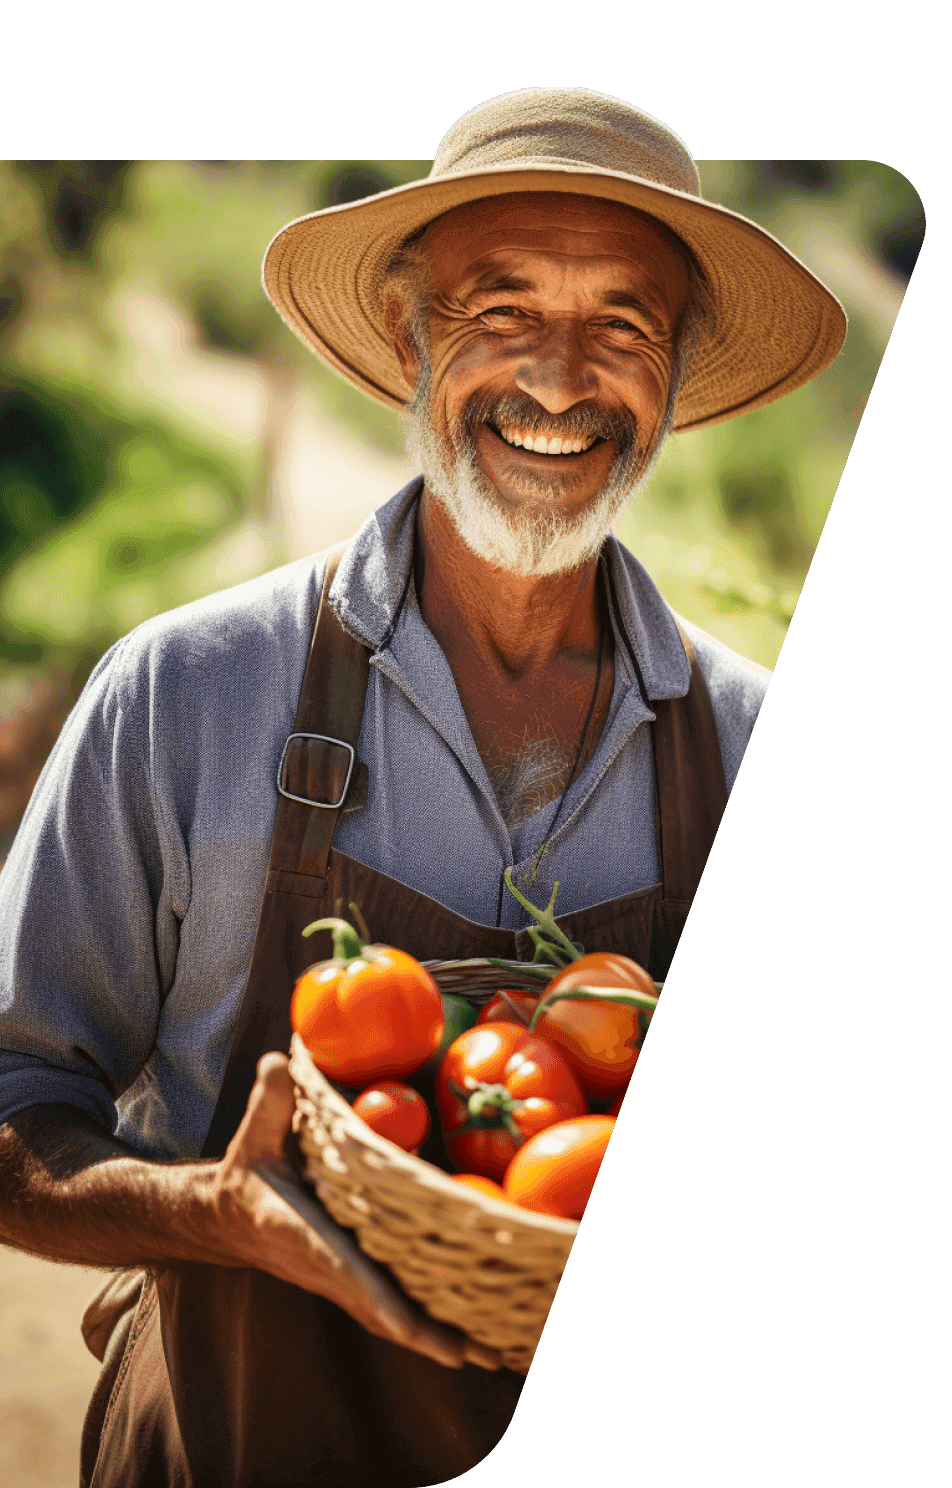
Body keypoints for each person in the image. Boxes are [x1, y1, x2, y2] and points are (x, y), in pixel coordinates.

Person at [0, 88, 845, 1486]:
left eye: (624, 326)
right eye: (499, 309)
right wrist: (209, 1211)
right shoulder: (187, 692)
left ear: (679, 380)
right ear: (409, 342)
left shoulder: (763, 754)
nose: (561, 380)